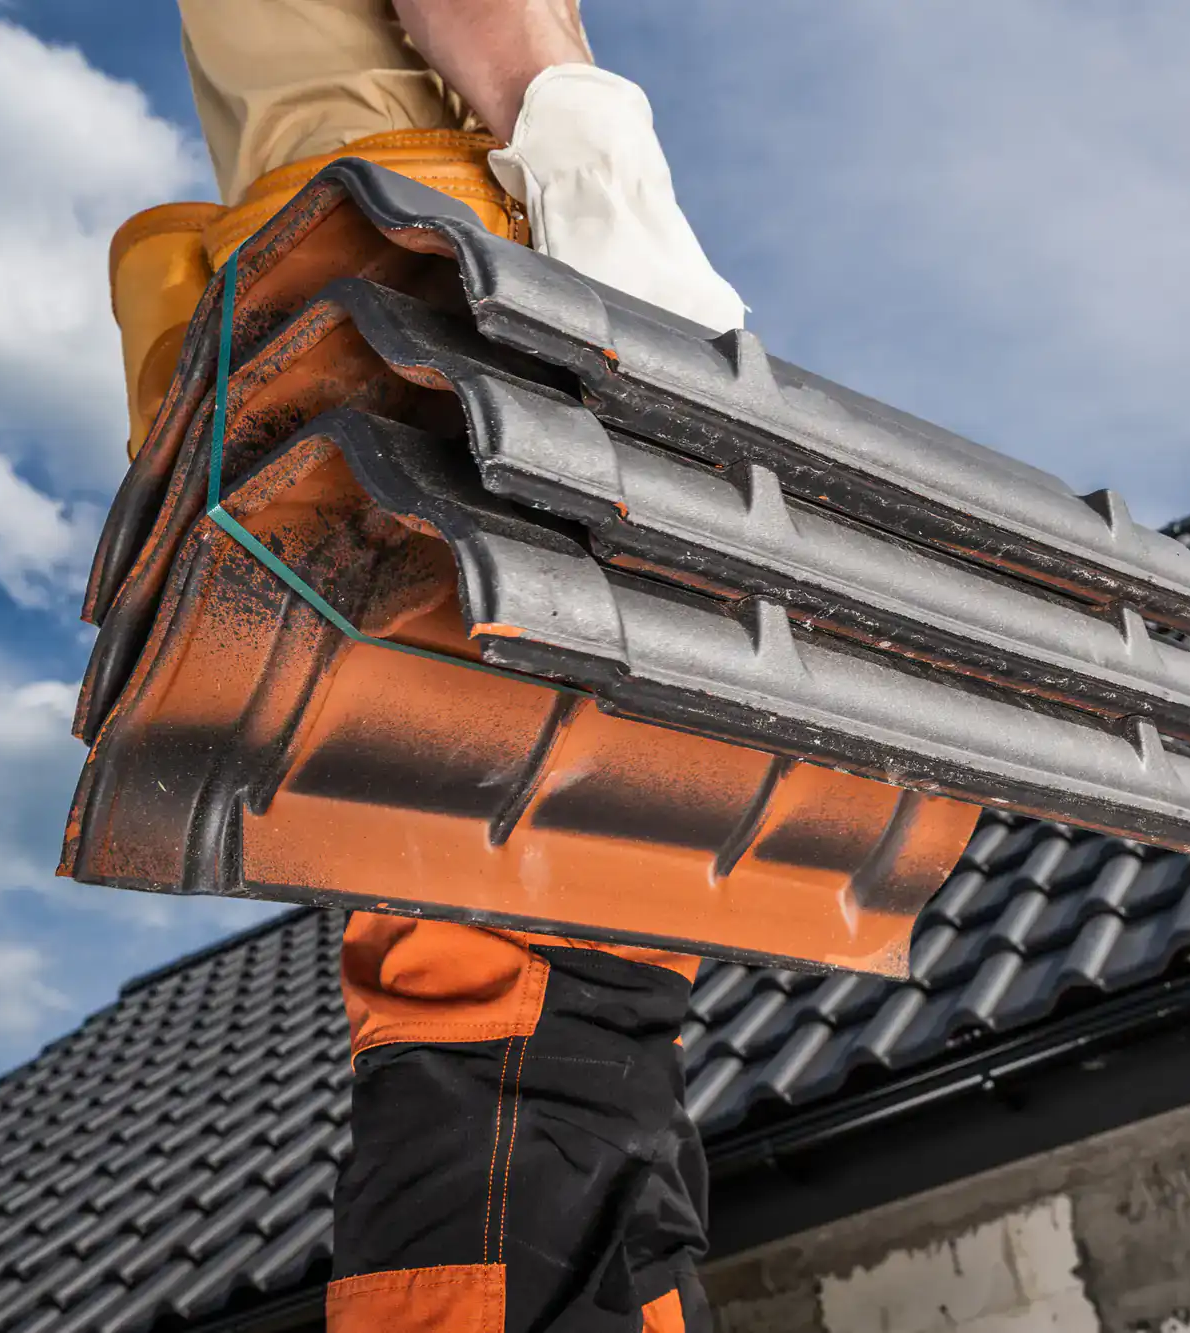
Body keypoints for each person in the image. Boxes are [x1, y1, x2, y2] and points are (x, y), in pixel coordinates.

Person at [134, 3, 750, 1328]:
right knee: (540, 964)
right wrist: (614, 201)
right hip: (448, 305)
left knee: (540, 982)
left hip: (374, 317)